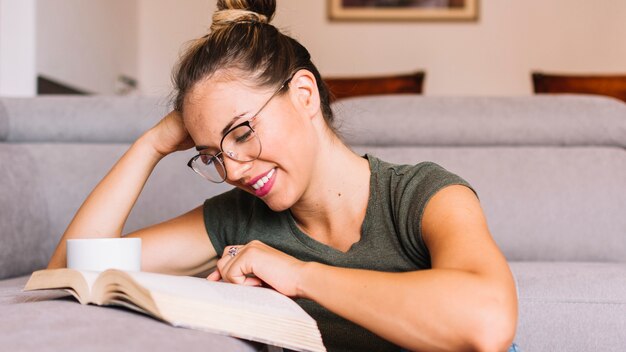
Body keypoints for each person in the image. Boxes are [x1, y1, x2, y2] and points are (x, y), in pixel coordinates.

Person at [47, 0, 519, 350]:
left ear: (305, 95)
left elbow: (487, 321)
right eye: (212, 155)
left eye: (242, 132)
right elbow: (71, 274)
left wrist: (298, 276)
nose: (232, 169)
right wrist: (149, 146)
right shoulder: (238, 219)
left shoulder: (423, 195)